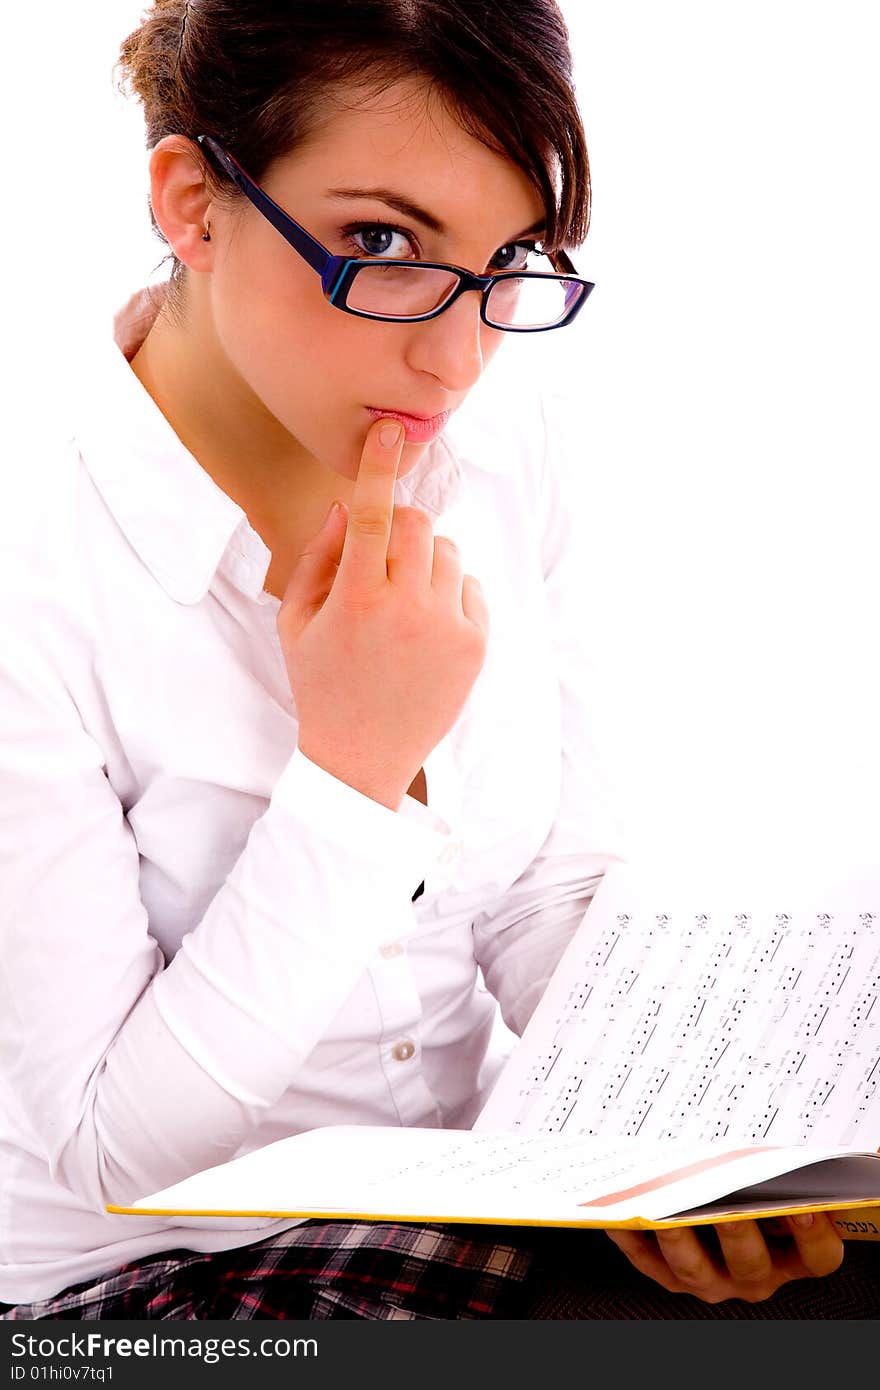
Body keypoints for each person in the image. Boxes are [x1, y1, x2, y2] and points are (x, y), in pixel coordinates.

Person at [0, 0, 876, 1320]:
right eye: (383, 242)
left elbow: (543, 893)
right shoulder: (37, 572)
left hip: (462, 1188)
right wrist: (354, 773)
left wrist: (698, 1146)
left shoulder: (508, 448)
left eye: (505, 256)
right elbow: (118, 1160)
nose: (455, 352)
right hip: (122, 1290)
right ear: (191, 202)